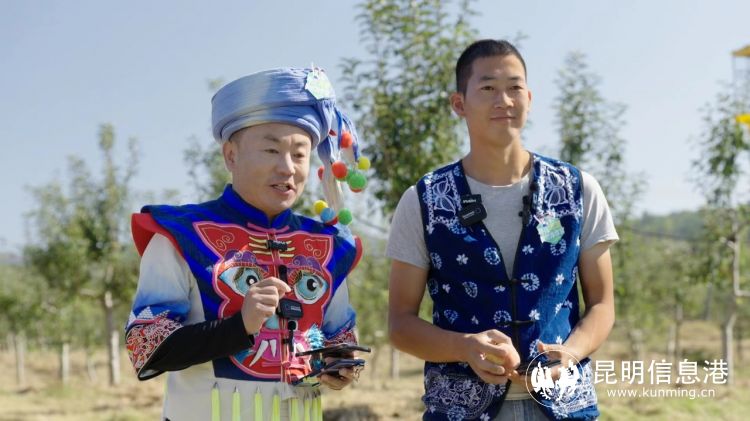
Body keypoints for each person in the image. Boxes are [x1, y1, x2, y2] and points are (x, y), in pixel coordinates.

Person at [387, 39, 617, 420]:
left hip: (564, 406)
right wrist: (465, 347)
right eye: (488, 88)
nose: (504, 100)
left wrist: (571, 353)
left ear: (529, 98)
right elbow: (400, 324)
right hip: (459, 410)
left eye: (514, 88)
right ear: (459, 103)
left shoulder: (576, 189)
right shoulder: (424, 200)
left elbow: (603, 305)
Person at [125, 67, 368, 421]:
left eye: (300, 154)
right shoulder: (181, 234)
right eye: (271, 149)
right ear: (231, 155)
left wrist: (340, 364)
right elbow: (145, 345)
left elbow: (337, 336)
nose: (287, 168)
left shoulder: (327, 246)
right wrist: (239, 326)